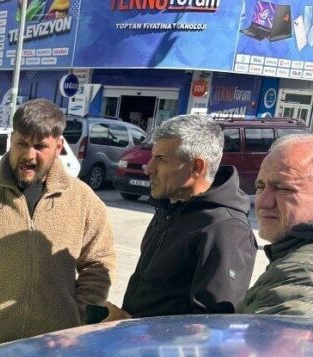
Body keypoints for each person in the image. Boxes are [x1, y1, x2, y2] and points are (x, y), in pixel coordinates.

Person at [0, 98, 116, 348]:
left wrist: (79, 316)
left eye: (40, 146)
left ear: (59, 146)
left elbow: (99, 263)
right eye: (21, 144)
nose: (29, 155)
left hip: (53, 346)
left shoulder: (83, 201)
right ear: (11, 141)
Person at [105, 115, 256, 319]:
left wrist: (133, 327)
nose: (148, 169)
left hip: (156, 348)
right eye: (152, 157)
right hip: (134, 343)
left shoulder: (225, 229)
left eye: (161, 159)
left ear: (196, 167)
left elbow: (211, 326)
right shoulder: (170, 206)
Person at [237, 133, 313, 315]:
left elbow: (270, 342)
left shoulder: (299, 274)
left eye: (282, 188)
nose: (263, 202)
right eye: (260, 186)